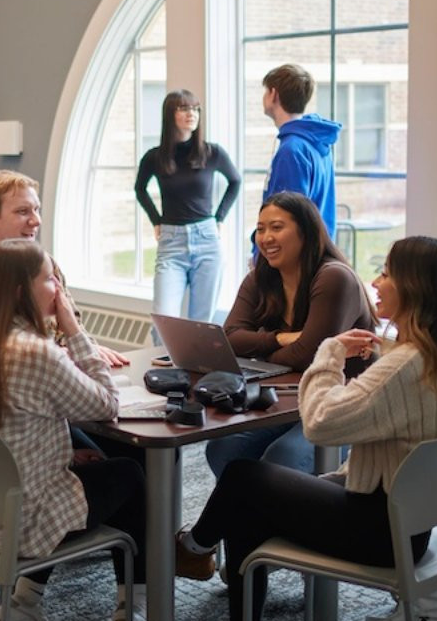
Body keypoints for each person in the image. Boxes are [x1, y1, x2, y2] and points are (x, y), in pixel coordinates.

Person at [174, 236, 437, 621]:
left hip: (379, 531)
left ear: (416, 286)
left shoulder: (404, 366)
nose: (376, 282)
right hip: (412, 526)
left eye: (388, 273)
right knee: (249, 502)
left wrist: (330, 354)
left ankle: (193, 549)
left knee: (244, 478)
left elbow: (318, 423)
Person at [0, 239, 147, 621]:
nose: (59, 288)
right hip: (11, 525)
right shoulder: (36, 352)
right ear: (17, 291)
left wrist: (62, 455)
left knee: (84, 468)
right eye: (50, 278)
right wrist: (74, 330)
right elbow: (107, 402)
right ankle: (134, 609)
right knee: (131, 474)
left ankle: (26, 603)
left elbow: (3, 430)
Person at [206, 192, 376, 478]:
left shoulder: (334, 277)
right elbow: (230, 337)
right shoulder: (261, 278)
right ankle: (250, 519)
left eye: (276, 227)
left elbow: (308, 357)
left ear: (306, 232)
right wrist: (280, 339)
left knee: (282, 457)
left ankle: (274, 518)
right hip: (292, 400)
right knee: (222, 447)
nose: (266, 237)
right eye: (260, 229)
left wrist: (262, 350)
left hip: (343, 404)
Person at [134, 89, 241, 322]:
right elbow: (139, 189)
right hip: (171, 243)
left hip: (207, 241)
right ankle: (166, 360)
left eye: (194, 108)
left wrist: (219, 217)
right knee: (164, 321)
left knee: (201, 324)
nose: (191, 113)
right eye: (183, 108)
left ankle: (195, 361)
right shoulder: (154, 157)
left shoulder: (212, 153)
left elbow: (235, 181)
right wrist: (156, 220)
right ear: (169, 114)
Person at [260, 64, 342, 239]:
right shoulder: (315, 141)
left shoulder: (292, 150)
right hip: (317, 249)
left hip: (296, 258)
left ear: (273, 94)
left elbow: (284, 219)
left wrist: (262, 255)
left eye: (265, 91)